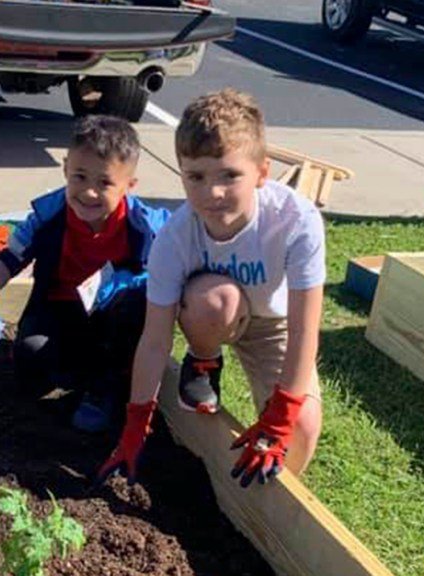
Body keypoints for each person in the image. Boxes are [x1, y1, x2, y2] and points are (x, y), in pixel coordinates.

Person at [97, 90, 325, 488]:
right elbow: (155, 340)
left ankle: (276, 497)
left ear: (262, 172)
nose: (212, 193)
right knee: (215, 301)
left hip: (275, 323)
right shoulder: (175, 236)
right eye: (196, 177)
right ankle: (204, 362)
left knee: (302, 428)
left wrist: (282, 415)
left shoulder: (295, 220)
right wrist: (135, 427)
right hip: (210, 311)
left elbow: (305, 328)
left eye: (229, 175)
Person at [0, 115, 169, 433]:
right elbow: (10, 257)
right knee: (31, 361)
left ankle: (105, 385)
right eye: (80, 176)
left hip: (113, 317)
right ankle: (77, 364)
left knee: (133, 305)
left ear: (129, 185)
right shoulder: (49, 214)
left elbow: (176, 264)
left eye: (105, 183)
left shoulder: (145, 226)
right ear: (66, 168)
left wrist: (139, 280)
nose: (89, 192)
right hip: (60, 306)